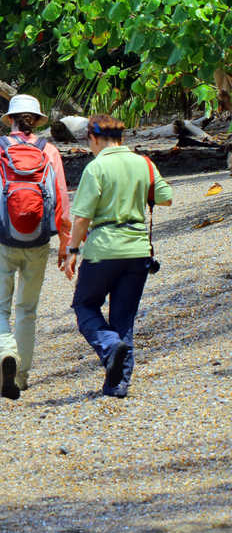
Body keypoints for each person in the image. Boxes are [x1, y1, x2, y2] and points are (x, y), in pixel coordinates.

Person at [0, 94, 71, 400]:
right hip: (38, 242)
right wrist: (66, 243)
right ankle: (20, 377)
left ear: (10, 119)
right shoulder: (50, 151)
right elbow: (61, 198)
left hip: (0, 240)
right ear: (36, 120)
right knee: (27, 310)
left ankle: (6, 353)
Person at [63, 114, 173, 398]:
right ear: (122, 138)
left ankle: (110, 347)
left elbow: (82, 217)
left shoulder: (96, 167)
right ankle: (117, 384)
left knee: (84, 305)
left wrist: (72, 250)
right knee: (123, 319)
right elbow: (165, 197)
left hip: (103, 249)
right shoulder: (144, 163)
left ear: (94, 138)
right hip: (137, 251)